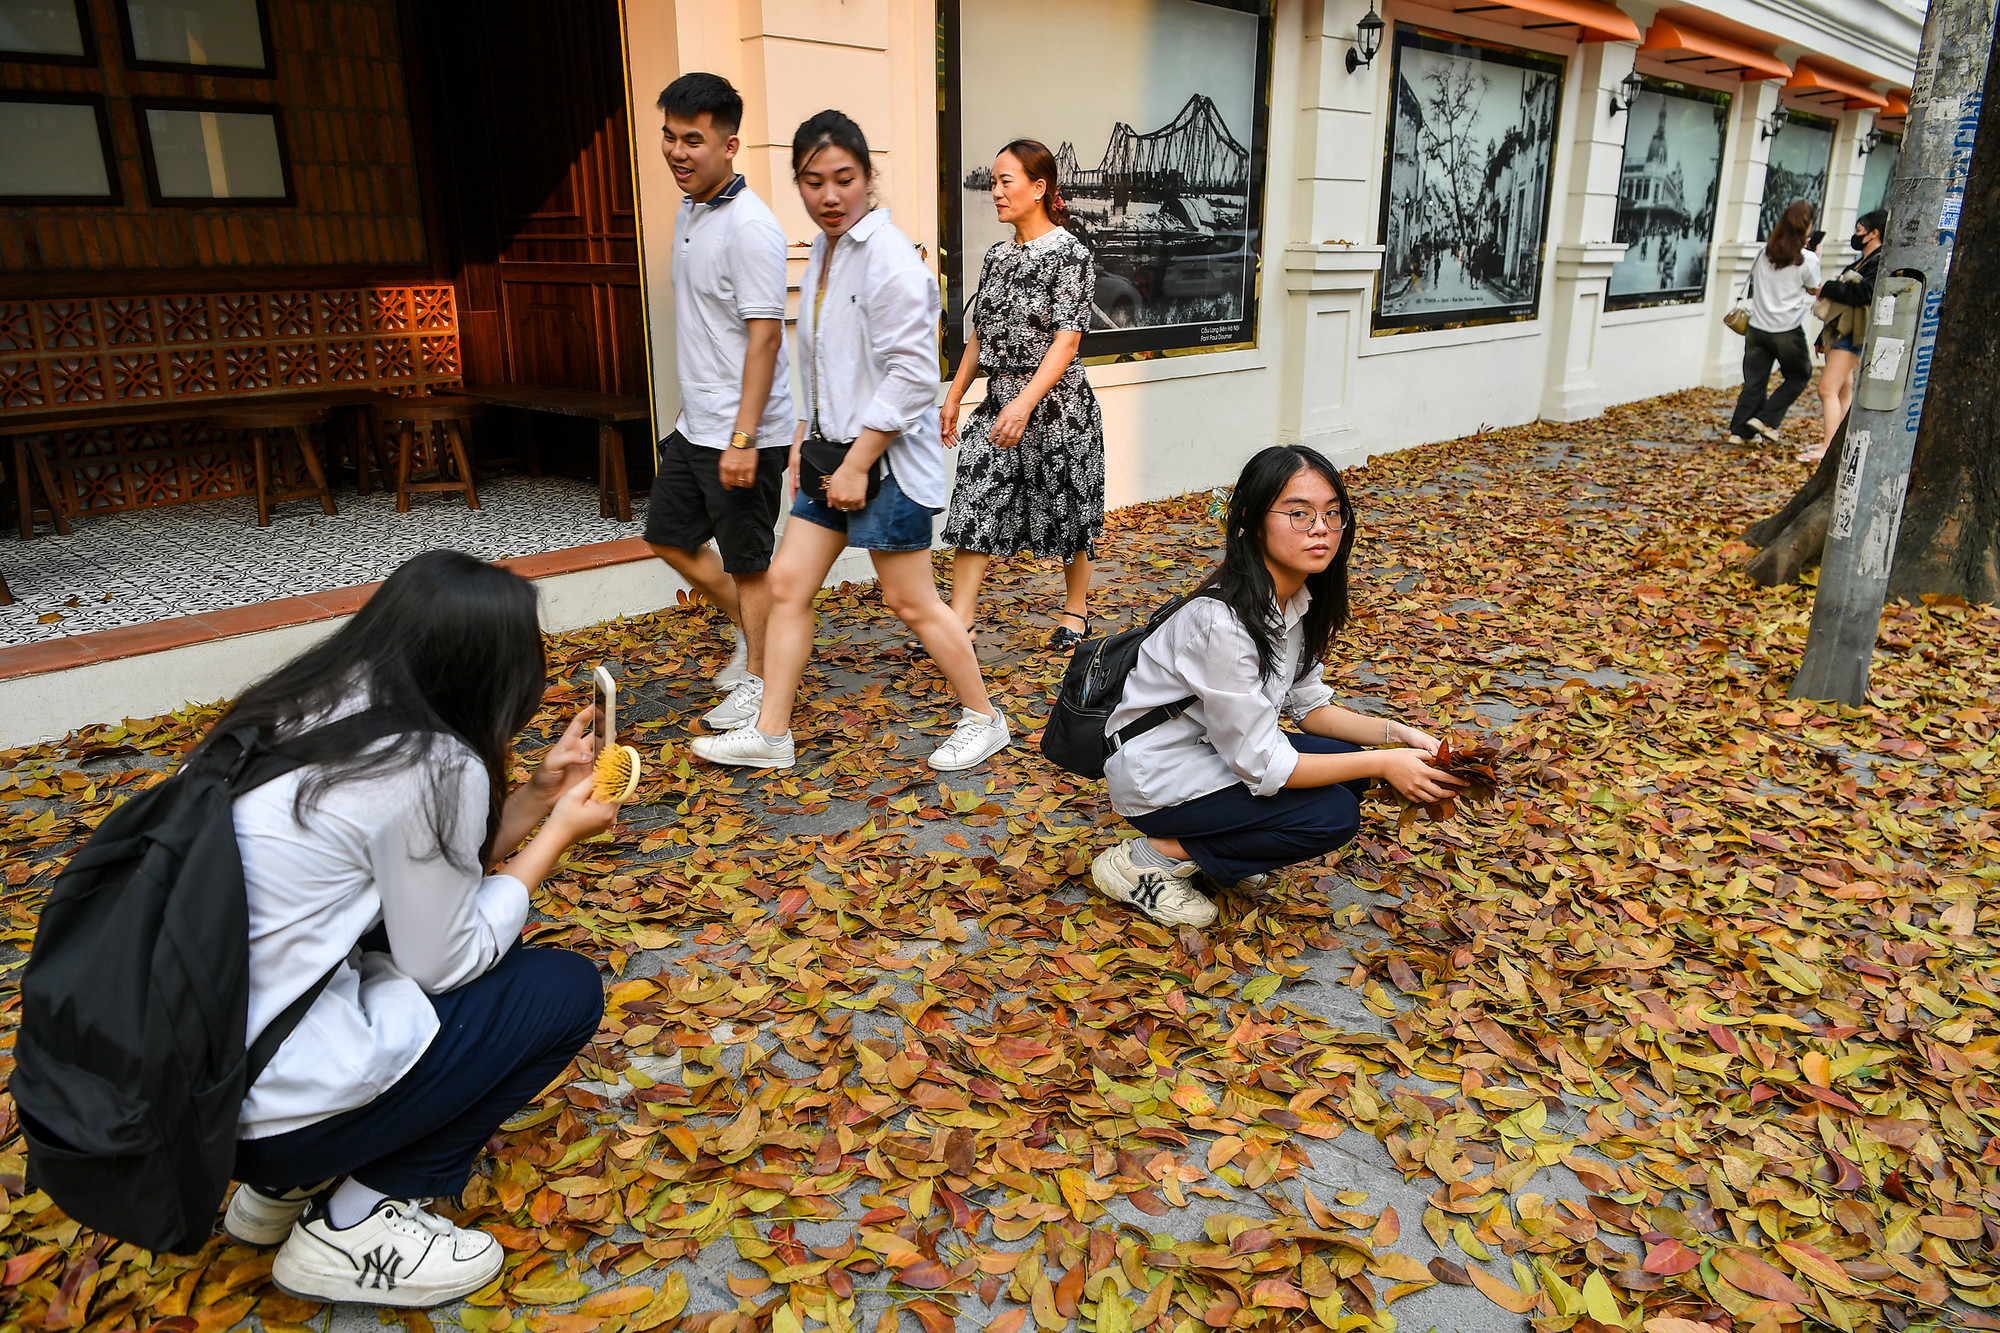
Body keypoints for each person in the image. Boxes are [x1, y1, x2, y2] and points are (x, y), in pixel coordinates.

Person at [213, 551, 618, 1307]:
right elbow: (448, 956)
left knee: (492, 944)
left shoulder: (297, 709)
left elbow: (416, 874)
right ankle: (355, 1218)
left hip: (203, 1088)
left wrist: (531, 797)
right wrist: (556, 837)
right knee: (557, 989)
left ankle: (280, 1186)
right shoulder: (425, 761)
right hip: (271, 1096)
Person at [690, 111, 1011, 774]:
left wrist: (859, 460)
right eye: (813, 181)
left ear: (868, 178)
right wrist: (808, 443)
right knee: (785, 585)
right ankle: (772, 732)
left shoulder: (889, 259)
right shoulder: (826, 253)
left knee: (909, 599)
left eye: (844, 179)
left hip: (885, 458)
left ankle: (985, 716)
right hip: (832, 452)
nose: (829, 195)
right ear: (799, 185)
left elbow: (915, 374)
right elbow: (823, 359)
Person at [1090, 445, 1464, 929]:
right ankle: (1149, 858)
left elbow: (1309, 708)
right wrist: (1384, 763)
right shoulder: (1222, 622)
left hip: (1209, 752)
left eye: (1333, 514)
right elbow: (1264, 763)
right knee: (1331, 815)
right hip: (1159, 774)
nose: (1320, 529)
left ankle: (1207, 855)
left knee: (1344, 767)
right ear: (1250, 519)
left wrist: (1399, 737)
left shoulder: (1295, 599)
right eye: (1298, 513)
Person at [642, 73, 796, 730]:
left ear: (730, 144)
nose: (678, 153)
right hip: (696, 424)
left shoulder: (751, 228)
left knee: (748, 562)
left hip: (744, 432)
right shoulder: (688, 209)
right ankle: (755, 635)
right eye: (670, 138)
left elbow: (765, 339)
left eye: (693, 141)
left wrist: (742, 438)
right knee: (668, 536)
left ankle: (763, 686)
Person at [938, 139, 1105, 651]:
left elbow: (1067, 339)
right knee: (974, 498)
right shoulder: (996, 257)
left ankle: (1075, 612)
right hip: (999, 401)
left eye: (1005, 181)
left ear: (1039, 188)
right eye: (992, 182)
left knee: (1070, 506)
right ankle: (959, 620)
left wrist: (1024, 403)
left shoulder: (1072, 255)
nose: (995, 192)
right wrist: (955, 394)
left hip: (1057, 406)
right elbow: (981, 334)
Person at [1727, 200, 1822, 447]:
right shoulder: (1806, 259)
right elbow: (1813, 289)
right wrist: (1815, 256)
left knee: (1755, 382)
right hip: (1786, 330)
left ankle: (1740, 432)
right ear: (1806, 227)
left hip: (1757, 327)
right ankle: (1766, 419)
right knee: (1799, 375)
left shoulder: (1764, 253)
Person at [1811, 208, 1887, 464]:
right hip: (1839, 332)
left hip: (1852, 335)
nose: (1856, 235)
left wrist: (1829, 287)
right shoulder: (1862, 261)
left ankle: (1828, 446)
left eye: (1859, 230)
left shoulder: (1878, 262)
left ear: (1873, 233)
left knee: (1827, 389)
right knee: (1843, 389)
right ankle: (1837, 447)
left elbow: (1864, 293)